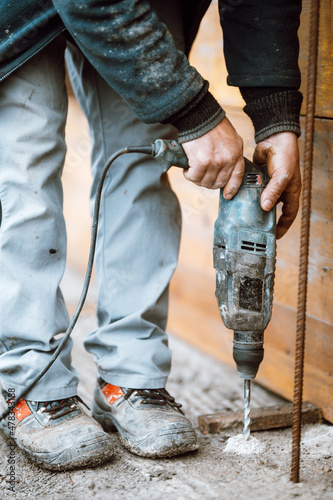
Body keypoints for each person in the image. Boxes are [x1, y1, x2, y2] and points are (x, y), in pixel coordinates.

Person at [0, 0, 302, 470]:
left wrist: (276, 116)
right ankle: (31, 379)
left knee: (141, 157)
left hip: (143, 6)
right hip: (17, 15)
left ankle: (130, 375)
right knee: (27, 166)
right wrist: (194, 111)